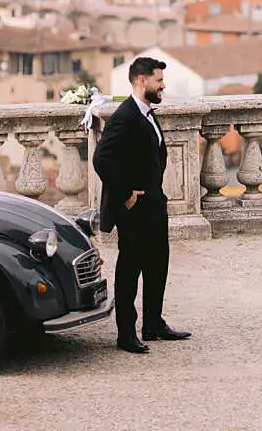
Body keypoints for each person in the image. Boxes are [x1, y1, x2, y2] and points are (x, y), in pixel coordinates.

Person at [92, 56, 191, 354]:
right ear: (141, 81)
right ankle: (126, 334)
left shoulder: (148, 112)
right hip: (134, 208)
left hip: (154, 203)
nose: (163, 85)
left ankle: (153, 325)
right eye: (158, 80)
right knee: (130, 270)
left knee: (157, 264)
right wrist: (126, 194)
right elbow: (101, 159)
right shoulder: (125, 116)